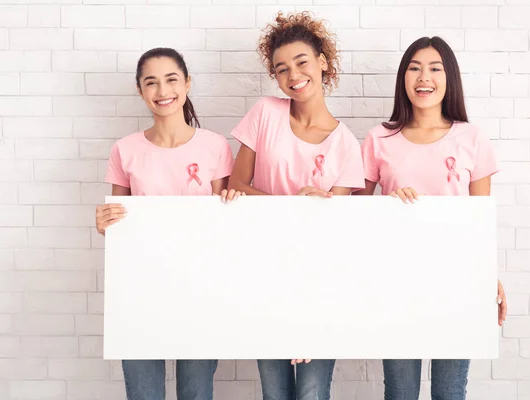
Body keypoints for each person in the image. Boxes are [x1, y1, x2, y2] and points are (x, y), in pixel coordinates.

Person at [355, 36, 508, 400]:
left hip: (458, 281)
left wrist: (489, 276)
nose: (424, 77)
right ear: (403, 78)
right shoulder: (379, 138)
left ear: (449, 77)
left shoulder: (472, 139)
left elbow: (479, 221)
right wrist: (388, 204)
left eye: (435, 68)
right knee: (401, 392)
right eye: (414, 68)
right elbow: (355, 213)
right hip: (396, 281)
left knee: (450, 392)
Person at [226, 11, 365, 400]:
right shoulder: (265, 113)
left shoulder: (347, 145)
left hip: (320, 282)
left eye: (302, 62)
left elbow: (331, 233)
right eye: (281, 68)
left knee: (312, 393)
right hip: (265, 272)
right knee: (274, 393)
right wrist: (294, 207)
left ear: (322, 62)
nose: (293, 75)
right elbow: (237, 185)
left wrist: (311, 312)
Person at [95, 47, 242, 400]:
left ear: (187, 84)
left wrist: (235, 207)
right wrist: (105, 223)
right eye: (151, 82)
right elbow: (119, 221)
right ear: (140, 90)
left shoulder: (215, 146)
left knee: (196, 392)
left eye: (171, 79)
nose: (162, 91)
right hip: (140, 288)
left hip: (200, 286)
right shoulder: (125, 150)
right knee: (144, 393)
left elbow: (222, 220)